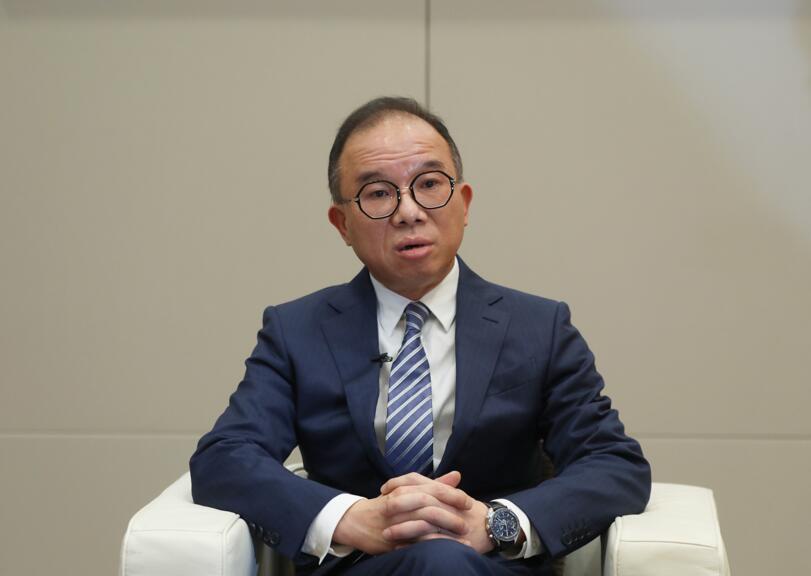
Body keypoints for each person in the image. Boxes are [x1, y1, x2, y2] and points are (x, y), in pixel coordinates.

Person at [190, 96, 651, 576]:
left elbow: (613, 463)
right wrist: (351, 518)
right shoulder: (297, 331)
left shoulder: (539, 327)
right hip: (359, 569)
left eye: (429, 184)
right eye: (378, 193)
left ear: (464, 203)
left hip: (492, 569)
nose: (409, 212)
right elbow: (225, 457)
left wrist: (494, 523)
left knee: (443, 561)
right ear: (342, 224)